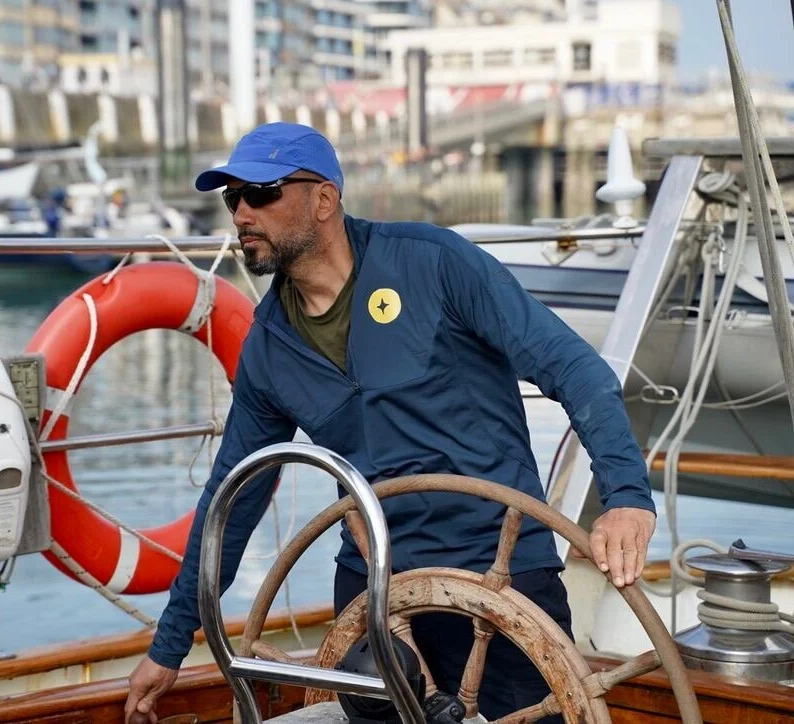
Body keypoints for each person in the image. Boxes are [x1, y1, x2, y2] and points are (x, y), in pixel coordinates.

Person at [124, 123, 657, 723]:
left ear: (323, 200)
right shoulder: (268, 349)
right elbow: (233, 499)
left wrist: (627, 496)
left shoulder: (433, 263)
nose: (242, 213)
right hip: (375, 584)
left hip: (501, 567)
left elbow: (575, 369)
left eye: (262, 194)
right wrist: (169, 646)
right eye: (233, 199)